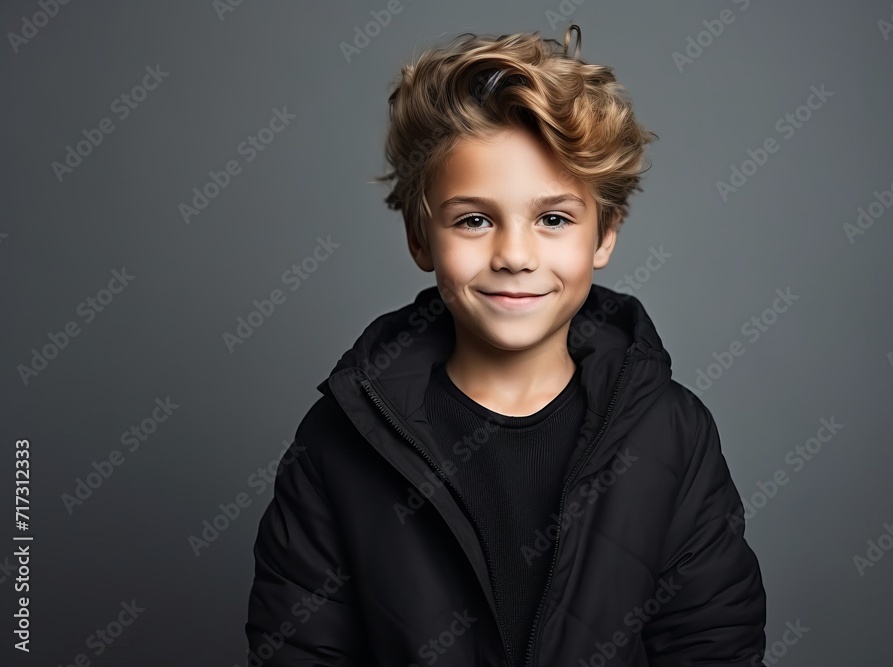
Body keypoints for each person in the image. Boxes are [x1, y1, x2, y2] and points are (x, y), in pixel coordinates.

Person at [244, 24, 766, 667]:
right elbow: (298, 652)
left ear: (604, 235)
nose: (515, 256)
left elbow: (713, 648)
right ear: (420, 237)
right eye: (474, 219)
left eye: (553, 219)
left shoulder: (672, 434)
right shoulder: (337, 441)